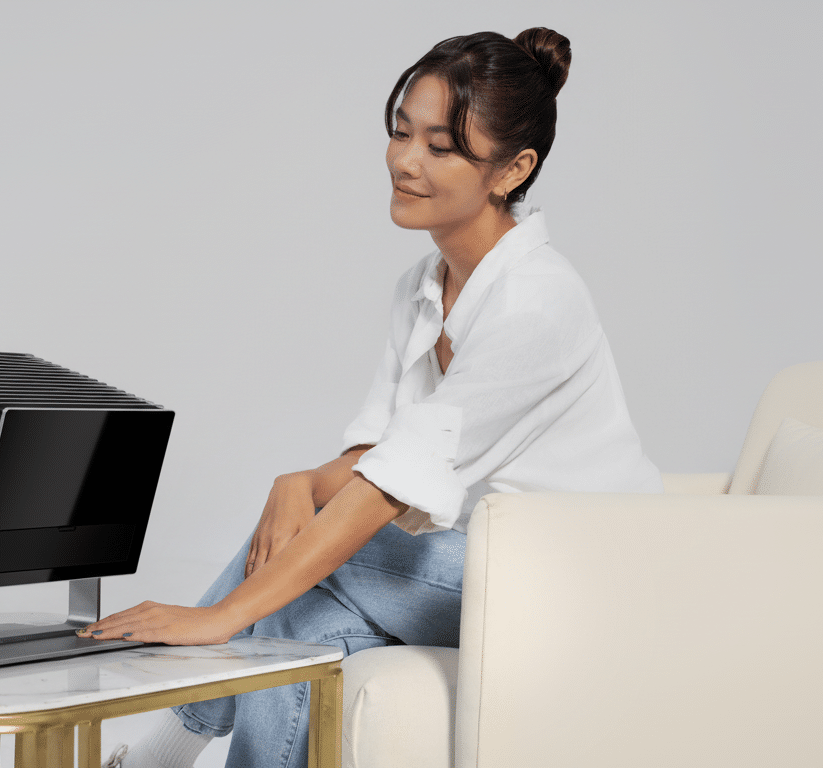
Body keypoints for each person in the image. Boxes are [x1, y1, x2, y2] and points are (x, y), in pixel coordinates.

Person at [82, 28, 662, 768]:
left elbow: (382, 488)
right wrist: (296, 482)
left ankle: (160, 754)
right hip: (486, 570)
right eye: (400, 132)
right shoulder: (421, 287)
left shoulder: (536, 304)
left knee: (316, 567)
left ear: (513, 169)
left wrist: (218, 617)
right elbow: (375, 453)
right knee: (303, 630)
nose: (405, 161)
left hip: (584, 591)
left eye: (442, 146)